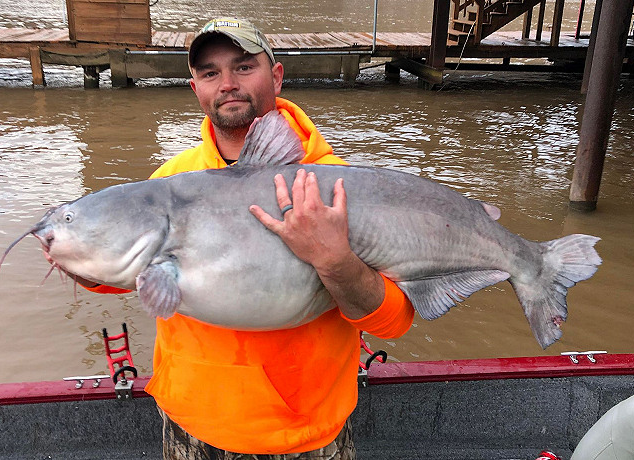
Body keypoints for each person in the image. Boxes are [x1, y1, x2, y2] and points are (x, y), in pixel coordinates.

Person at [83, 17, 415, 459]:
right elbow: (120, 274)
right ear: (195, 88)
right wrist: (79, 258)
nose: (227, 84)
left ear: (275, 75)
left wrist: (336, 262)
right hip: (191, 423)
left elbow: (393, 322)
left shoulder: (339, 188)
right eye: (210, 73)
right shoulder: (171, 180)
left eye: (243, 67)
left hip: (306, 435)